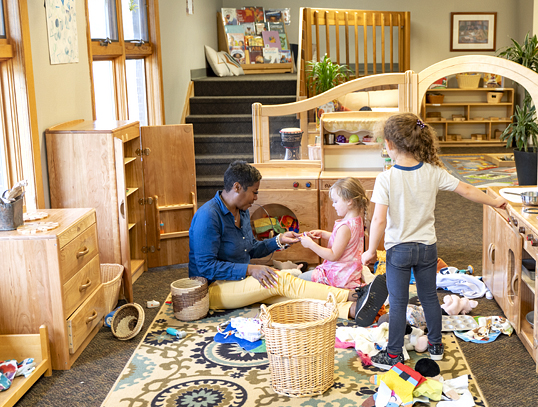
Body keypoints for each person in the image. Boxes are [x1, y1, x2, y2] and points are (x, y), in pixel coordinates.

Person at [361, 113, 507, 369]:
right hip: (427, 248)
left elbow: (378, 221)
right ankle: (436, 345)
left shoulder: (386, 178)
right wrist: (494, 202)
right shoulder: (433, 172)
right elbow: (467, 190)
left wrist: (371, 250)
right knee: (429, 297)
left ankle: (392, 354)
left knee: (397, 302)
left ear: (390, 145)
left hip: (399, 250)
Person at [188, 161, 387, 326]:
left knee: (291, 297)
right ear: (237, 187)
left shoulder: (242, 211)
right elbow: (206, 268)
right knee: (282, 280)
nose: (257, 198)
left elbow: (251, 249)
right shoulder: (208, 216)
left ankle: (352, 310)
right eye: (254, 192)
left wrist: (278, 241)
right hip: (213, 290)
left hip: (240, 282)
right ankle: (353, 295)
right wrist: (250, 270)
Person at [299, 177, 367, 289]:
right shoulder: (357, 220)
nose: (333, 205)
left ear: (349, 201)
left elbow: (333, 255)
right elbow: (345, 242)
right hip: (349, 272)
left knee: (299, 280)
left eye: (336, 201)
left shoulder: (345, 227)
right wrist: (324, 234)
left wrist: (311, 244)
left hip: (337, 276)